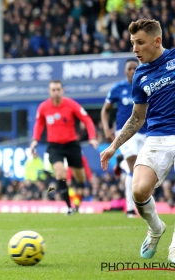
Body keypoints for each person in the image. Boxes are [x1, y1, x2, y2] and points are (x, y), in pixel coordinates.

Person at [100, 18, 174, 262]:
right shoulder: (140, 75)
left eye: (140, 43)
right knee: (139, 192)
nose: (135, 49)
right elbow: (136, 118)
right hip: (157, 137)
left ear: (157, 41)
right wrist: (112, 147)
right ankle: (155, 228)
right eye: (132, 43)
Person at [29, 80, 98, 215]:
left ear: (62, 90)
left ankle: (77, 200)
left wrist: (93, 137)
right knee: (60, 173)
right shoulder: (43, 107)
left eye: (58, 89)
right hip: (54, 146)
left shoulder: (71, 104)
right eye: (53, 90)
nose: (56, 92)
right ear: (49, 92)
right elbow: (39, 124)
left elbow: (87, 120)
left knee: (80, 178)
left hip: (71, 144)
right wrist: (35, 140)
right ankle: (68, 207)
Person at [100, 58, 147, 218]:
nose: (133, 71)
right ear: (125, 71)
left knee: (140, 170)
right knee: (133, 165)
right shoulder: (117, 88)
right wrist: (107, 129)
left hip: (145, 131)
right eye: (130, 68)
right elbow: (105, 110)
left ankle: (134, 207)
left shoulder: (145, 85)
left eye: (135, 68)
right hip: (125, 133)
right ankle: (130, 209)